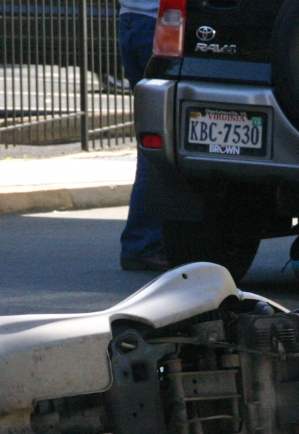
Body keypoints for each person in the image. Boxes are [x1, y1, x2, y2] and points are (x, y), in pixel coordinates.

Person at [118, 0, 170, 271]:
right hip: (157, 23)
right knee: (161, 141)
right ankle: (143, 243)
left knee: (152, 138)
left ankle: (142, 242)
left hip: (131, 20)